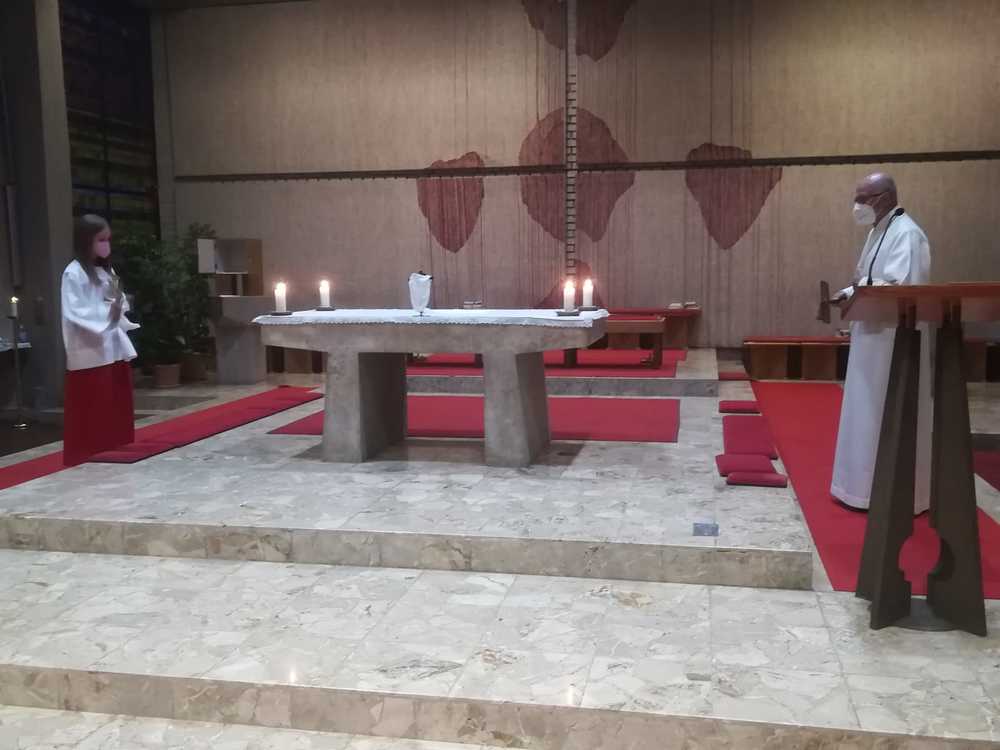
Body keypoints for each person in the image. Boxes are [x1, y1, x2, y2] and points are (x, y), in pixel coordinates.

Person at [830, 173, 932, 514]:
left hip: (893, 340)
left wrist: (859, 290)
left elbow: (901, 288)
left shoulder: (907, 234)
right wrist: (847, 293)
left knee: (885, 413)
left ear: (885, 197)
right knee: (865, 413)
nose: (857, 205)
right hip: (870, 337)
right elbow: (868, 280)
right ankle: (859, 488)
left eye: (863, 198)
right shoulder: (879, 231)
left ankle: (893, 494)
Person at [61, 214, 140, 466]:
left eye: (108, 239)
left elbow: (118, 298)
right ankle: (88, 453)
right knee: (94, 407)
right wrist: (108, 314)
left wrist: (120, 305)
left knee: (115, 404)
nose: (107, 245)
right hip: (90, 349)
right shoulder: (73, 273)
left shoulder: (108, 271)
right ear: (86, 241)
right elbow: (76, 311)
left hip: (112, 347)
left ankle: (117, 446)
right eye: (101, 240)